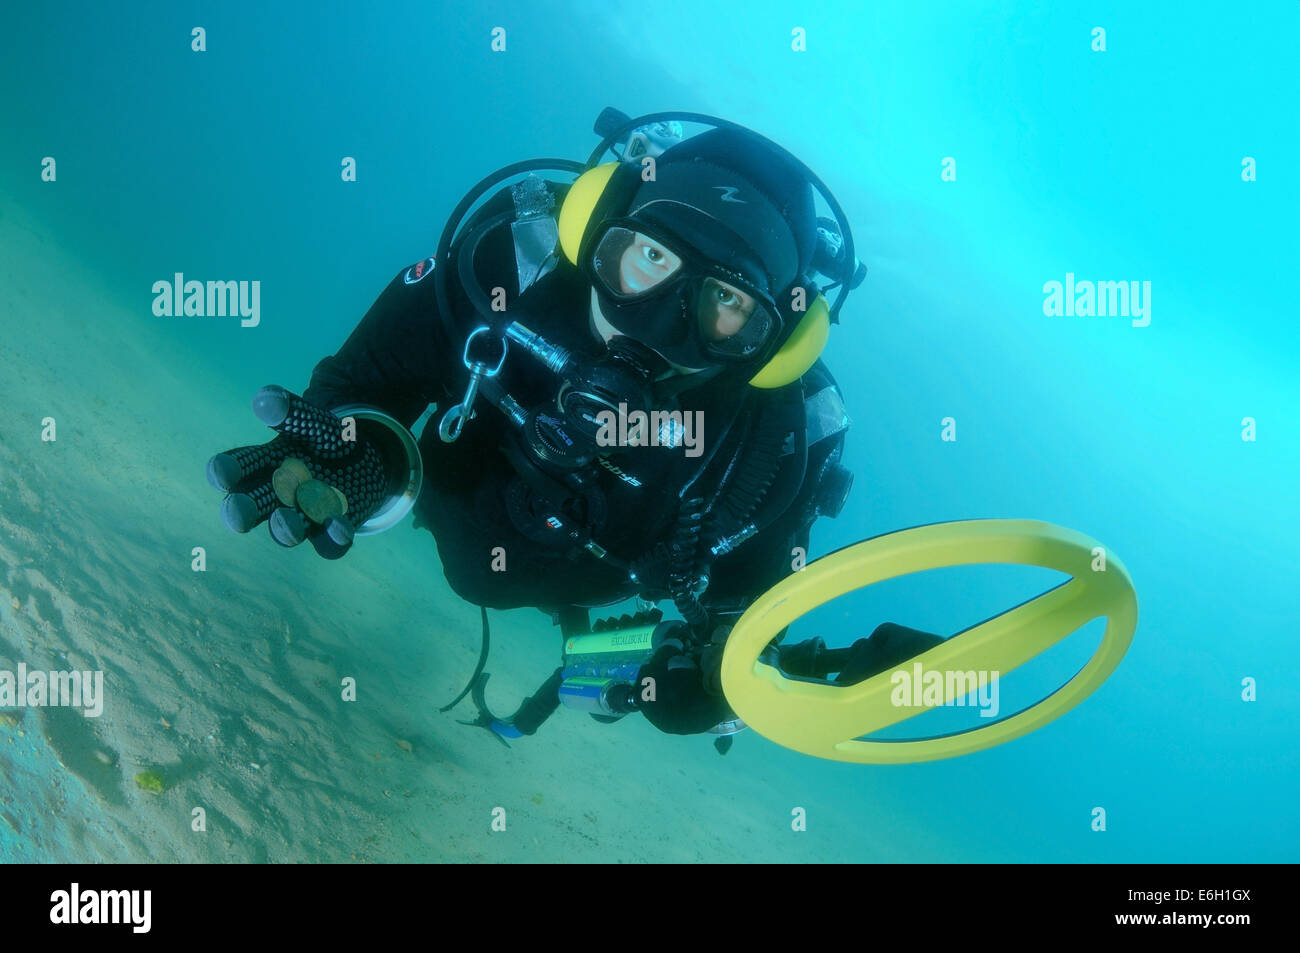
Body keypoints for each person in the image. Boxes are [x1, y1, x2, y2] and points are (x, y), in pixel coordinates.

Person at [206, 110, 944, 748]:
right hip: (452, 495)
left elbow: (746, 619)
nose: (659, 321)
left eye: (724, 301)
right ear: (596, 232)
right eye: (649, 257)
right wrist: (349, 447)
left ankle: (587, 641)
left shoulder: (781, 436)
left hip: (598, 568)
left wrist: (723, 686)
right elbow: (364, 386)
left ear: (775, 341)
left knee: (651, 664)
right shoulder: (505, 268)